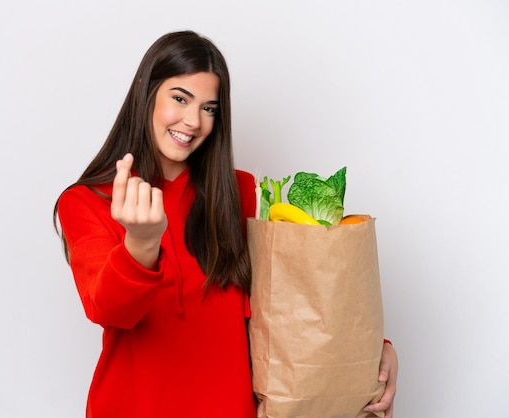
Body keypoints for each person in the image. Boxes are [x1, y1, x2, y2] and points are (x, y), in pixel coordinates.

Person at [54, 30, 398, 418]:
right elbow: (110, 310)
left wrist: (371, 348)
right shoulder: (87, 201)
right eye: (180, 99)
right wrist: (141, 244)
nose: (193, 121)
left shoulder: (242, 191)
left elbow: (292, 296)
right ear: (146, 94)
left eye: (209, 108)